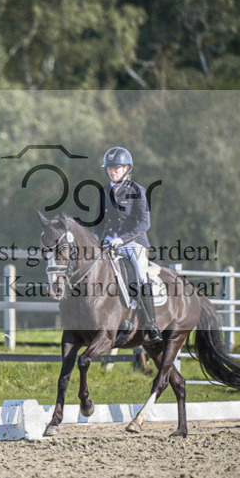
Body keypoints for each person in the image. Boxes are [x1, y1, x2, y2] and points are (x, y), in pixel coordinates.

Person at [97, 146, 162, 345]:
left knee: (141, 275)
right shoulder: (104, 191)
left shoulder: (137, 190)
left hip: (133, 243)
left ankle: (151, 325)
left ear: (126, 168)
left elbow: (144, 223)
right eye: (110, 168)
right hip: (110, 243)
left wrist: (122, 238)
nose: (112, 171)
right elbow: (98, 221)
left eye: (116, 168)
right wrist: (97, 240)